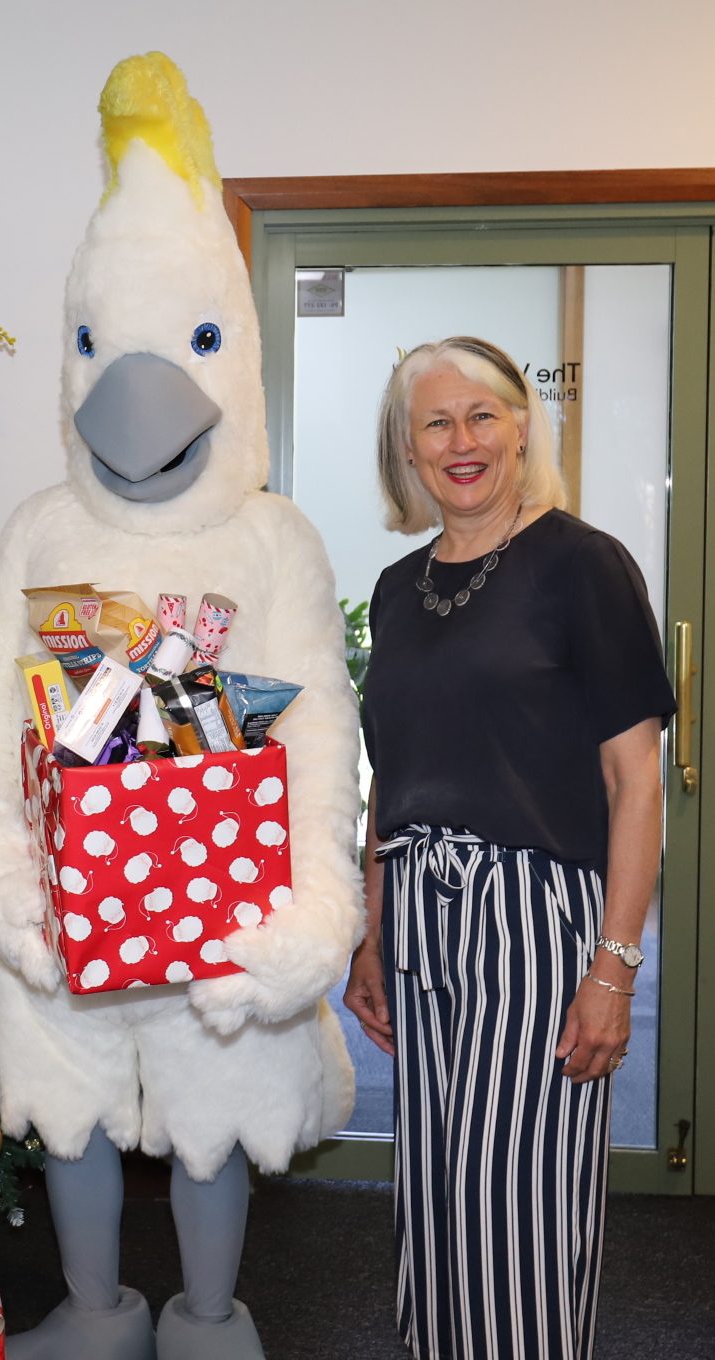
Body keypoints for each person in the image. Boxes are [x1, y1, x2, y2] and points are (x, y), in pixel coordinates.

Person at [343, 335, 675, 1360]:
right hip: (418, 915)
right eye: (434, 423)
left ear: (522, 426)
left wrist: (613, 970)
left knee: (519, 1204)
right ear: (407, 449)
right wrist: (370, 930)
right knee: (438, 1196)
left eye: (480, 415)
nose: (461, 441)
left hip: (533, 926)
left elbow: (633, 784)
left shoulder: (582, 564)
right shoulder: (397, 589)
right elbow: (387, 779)